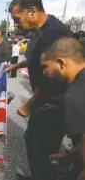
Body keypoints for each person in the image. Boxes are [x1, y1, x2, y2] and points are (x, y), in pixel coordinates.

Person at [4, 0, 73, 180]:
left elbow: (51, 78)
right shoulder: (37, 32)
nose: (16, 25)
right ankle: (38, 175)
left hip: (54, 101)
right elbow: (37, 59)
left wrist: (29, 105)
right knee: (33, 141)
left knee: (43, 148)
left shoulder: (54, 33)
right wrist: (18, 64)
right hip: (43, 99)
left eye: (17, 19)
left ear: (33, 11)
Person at [40, 37, 85, 180]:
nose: (44, 72)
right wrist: (70, 154)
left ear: (60, 62)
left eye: (45, 66)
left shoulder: (75, 94)